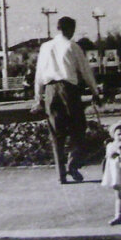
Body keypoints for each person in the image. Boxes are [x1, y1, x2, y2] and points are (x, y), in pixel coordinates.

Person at [32, 16, 101, 184]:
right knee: (78, 127)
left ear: (57, 28)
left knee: (56, 133)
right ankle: (73, 162)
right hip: (68, 90)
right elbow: (85, 71)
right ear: (70, 29)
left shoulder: (45, 47)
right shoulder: (72, 46)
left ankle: (60, 174)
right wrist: (95, 91)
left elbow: (39, 74)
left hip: (49, 91)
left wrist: (38, 98)